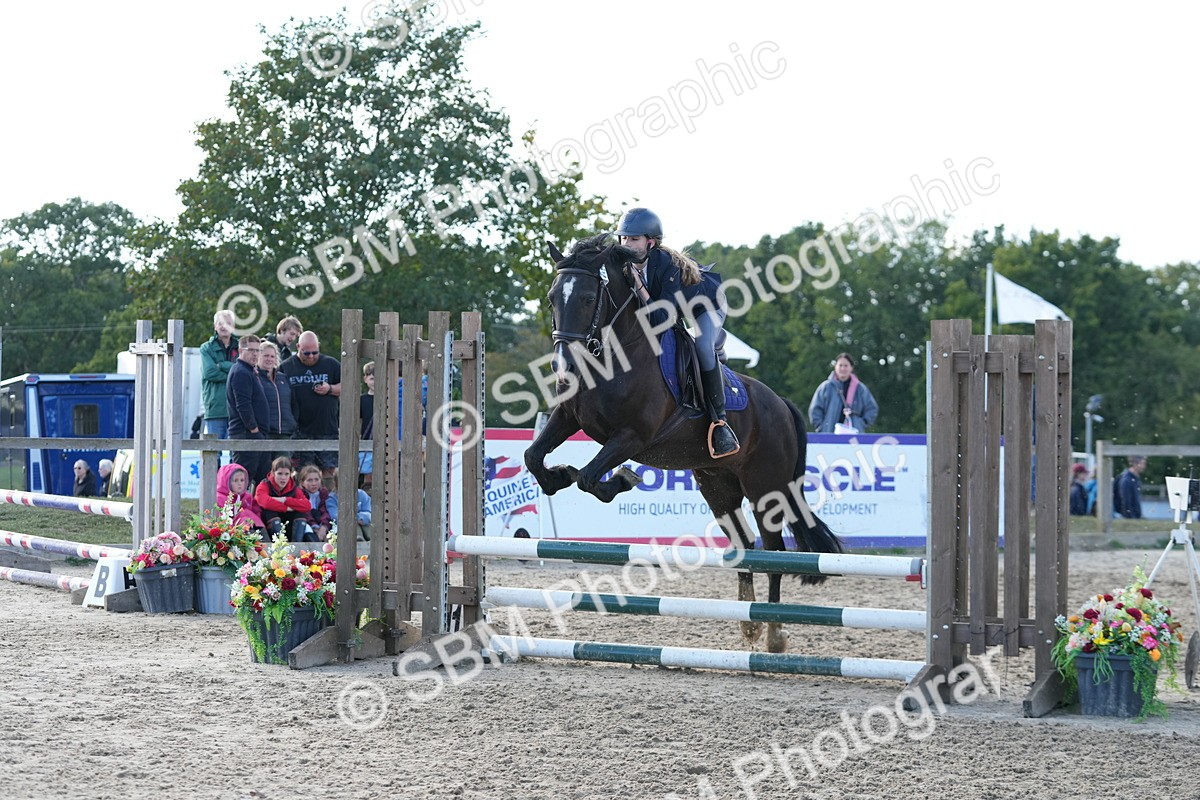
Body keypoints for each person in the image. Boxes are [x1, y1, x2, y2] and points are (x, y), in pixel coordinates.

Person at [616, 207, 738, 458]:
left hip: (707, 304)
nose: (626, 243)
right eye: (623, 238)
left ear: (650, 242)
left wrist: (638, 285)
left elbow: (662, 318)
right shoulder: (625, 262)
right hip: (677, 306)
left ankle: (720, 423)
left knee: (702, 346)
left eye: (633, 239)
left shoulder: (665, 264)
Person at [279, 331, 342, 482]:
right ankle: (305, 504)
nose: (311, 356)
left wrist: (330, 389)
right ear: (298, 346)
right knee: (303, 473)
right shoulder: (286, 367)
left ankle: (327, 503)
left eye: (315, 352)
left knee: (329, 470)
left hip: (327, 428)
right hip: (299, 430)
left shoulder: (331, 364)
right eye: (306, 353)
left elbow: (350, 386)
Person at [226, 335, 271, 484]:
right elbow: (243, 405)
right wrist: (254, 430)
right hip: (246, 434)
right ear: (240, 350)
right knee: (241, 483)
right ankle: (235, 509)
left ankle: (251, 509)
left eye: (258, 351)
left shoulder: (249, 371)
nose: (255, 354)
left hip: (255, 435)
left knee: (261, 482)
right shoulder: (241, 372)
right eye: (251, 350)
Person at [808, 353, 880, 434]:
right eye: (840, 365)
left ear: (851, 368)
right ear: (835, 367)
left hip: (854, 436)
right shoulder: (826, 387)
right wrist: (822, 427)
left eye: (846, 365)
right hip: (829, 435)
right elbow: (815, 409)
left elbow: (872, 408)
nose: (843, 368)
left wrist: (861, 423)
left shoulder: (860, 388)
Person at [254, 457, 316, 542]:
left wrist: (285, 500)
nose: (283, 478)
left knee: (300, 514)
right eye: (280, 474)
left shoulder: (294, 488)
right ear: (273, 473)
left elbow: (307, 505)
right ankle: (279, 544)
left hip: (288, 524)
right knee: (269, 512)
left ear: (291, 474)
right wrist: (287, 508)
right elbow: (265, 502)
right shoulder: (264, 485)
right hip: (269, 526)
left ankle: (296, 544)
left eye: (286, 474)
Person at [200, 309, 239, 439]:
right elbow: (209, 373)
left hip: (237, 408)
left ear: (233, 327)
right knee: (213, 452)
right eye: (220, 323)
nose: (224, 326)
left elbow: (245, 371)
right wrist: (234, 375)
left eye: (228, 323)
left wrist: (222, 365)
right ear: (215, 326)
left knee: (236, 452)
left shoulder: (241, 347)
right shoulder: (206, 348)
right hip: (215, 409)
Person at [258, 341, 298, 462]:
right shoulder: (254, 378)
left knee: (283, 470)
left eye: (272, 356)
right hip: (265, 434)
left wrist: (292, 422)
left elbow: (293, 403)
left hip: (285, 433)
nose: (269, 359)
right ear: (259, 357)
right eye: (266, 355)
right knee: (264, 472)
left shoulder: (283, 378)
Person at [215, 463, 266, 533]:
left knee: (247, 513)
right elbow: (220, 520)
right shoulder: (220, 498)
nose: (239, 483)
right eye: (236, 480)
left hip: (251, 527)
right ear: (226, 481)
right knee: (244, 514)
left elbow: (257, 513)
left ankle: (264, 539)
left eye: (242, 480)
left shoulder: (247, 497)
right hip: (229, 532)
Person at [299, 465, 333, 541]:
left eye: (316, 479)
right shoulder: (300, 494)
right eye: (309, 480)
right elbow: (305, 513)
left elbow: (326, 510)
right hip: (309, 524)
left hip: (323, 524)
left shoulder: (324, 493)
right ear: (302, 483)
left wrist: (324, 526)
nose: (314, 483)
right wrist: (315, 526)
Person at [359, 361, 375, 490]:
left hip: (384, 440)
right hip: (366, 441)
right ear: (365, 379)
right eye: (372, 378)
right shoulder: (362, 400)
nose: (374, 382)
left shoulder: (389, 398)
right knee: (367, 473)